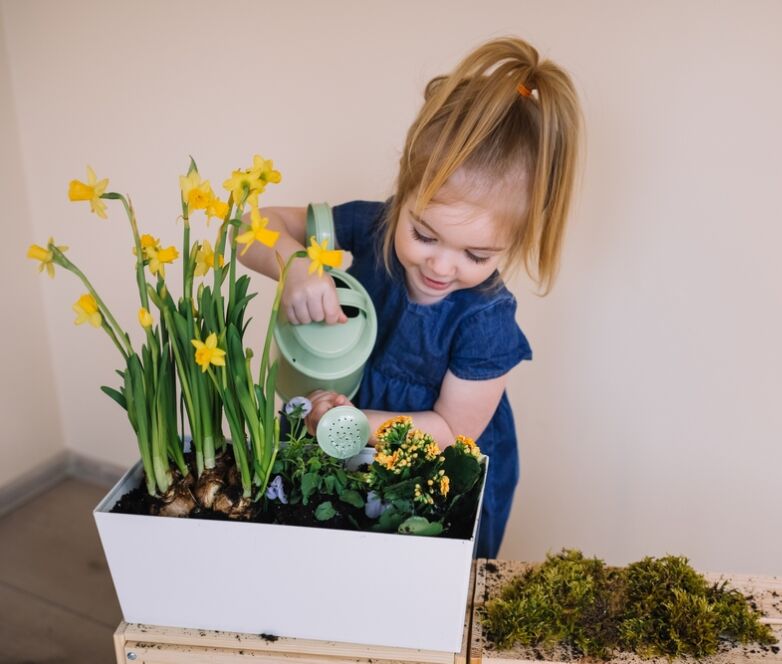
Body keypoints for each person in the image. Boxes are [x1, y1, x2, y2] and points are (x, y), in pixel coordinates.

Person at [238, 37, 581, 558]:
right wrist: (295, 265)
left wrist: (354, 423)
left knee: (421, 587)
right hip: (346, 436)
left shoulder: (486, 320)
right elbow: (252, 226)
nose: (441, 266)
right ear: (403, 193)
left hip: (438, 474)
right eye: (423, 235)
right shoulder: (373, 226)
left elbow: (449, 429)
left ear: (512, 243)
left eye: (478, 254)